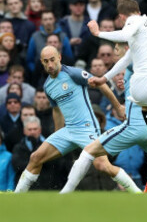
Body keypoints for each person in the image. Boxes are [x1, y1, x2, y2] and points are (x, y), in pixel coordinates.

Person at [60, 43, 147, 194]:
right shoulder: (144, 69)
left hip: (133, 126)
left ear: (127, 50)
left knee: (88, 152)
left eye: (118, 48)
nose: (115, 52)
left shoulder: (134, 62)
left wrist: (105, 78)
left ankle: (64, 194)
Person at [86, 0, 147, 192]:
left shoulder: (133, 21)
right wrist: (105, 78)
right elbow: (127, 59)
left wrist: (98, 33)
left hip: (143, 83)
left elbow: (125, 34)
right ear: (139, 10)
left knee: (139, 101)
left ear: (122, 17)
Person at [12, 46, 128, 193]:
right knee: (35, 157)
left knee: (103, 165)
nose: (50, 65)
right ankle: (16, 196)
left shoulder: (73, 73)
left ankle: (136, 192)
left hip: (87, 128)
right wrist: (57, 136)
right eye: (46, 61)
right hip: (69, 130)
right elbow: (56, 110)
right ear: (42, 62)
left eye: (52, 60)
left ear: (59, 57)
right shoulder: (48, 86)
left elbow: (101, 84)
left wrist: (118, 107)